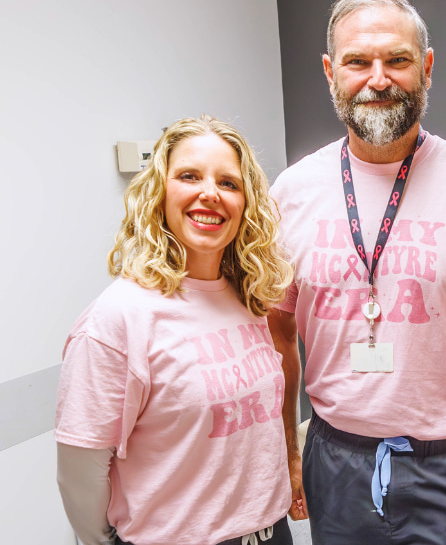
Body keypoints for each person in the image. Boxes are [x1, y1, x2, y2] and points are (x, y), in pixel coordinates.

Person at [267, 0, 446, 544]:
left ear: (427, 67)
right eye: (357, 62)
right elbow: (275, 333)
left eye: (397, 60)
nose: (377, 78)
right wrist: (284, 450)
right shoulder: (291, 192)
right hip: (335, 461)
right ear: (329, 71)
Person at [55, 115, 296, 545]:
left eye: (229, 183)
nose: (210, 193)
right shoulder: (118, 319)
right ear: (159, 193)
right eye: (189, 176)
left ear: (246, 204)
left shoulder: (249, 298)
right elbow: (80, 475)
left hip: (270, 533)